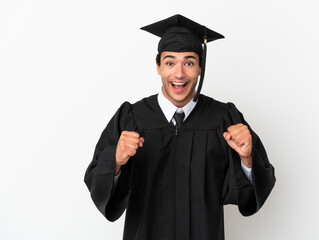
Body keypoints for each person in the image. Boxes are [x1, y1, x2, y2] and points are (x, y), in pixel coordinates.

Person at [84, 14, 275, 240]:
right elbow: (97, 181)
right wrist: (115, 161)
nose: (179, 73)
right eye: (170, 62)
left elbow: (249, 195)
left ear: (200, 68)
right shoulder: (132, 118)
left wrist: (246, 159)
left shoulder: (223, 118)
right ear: (158, 67)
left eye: (189, 62)